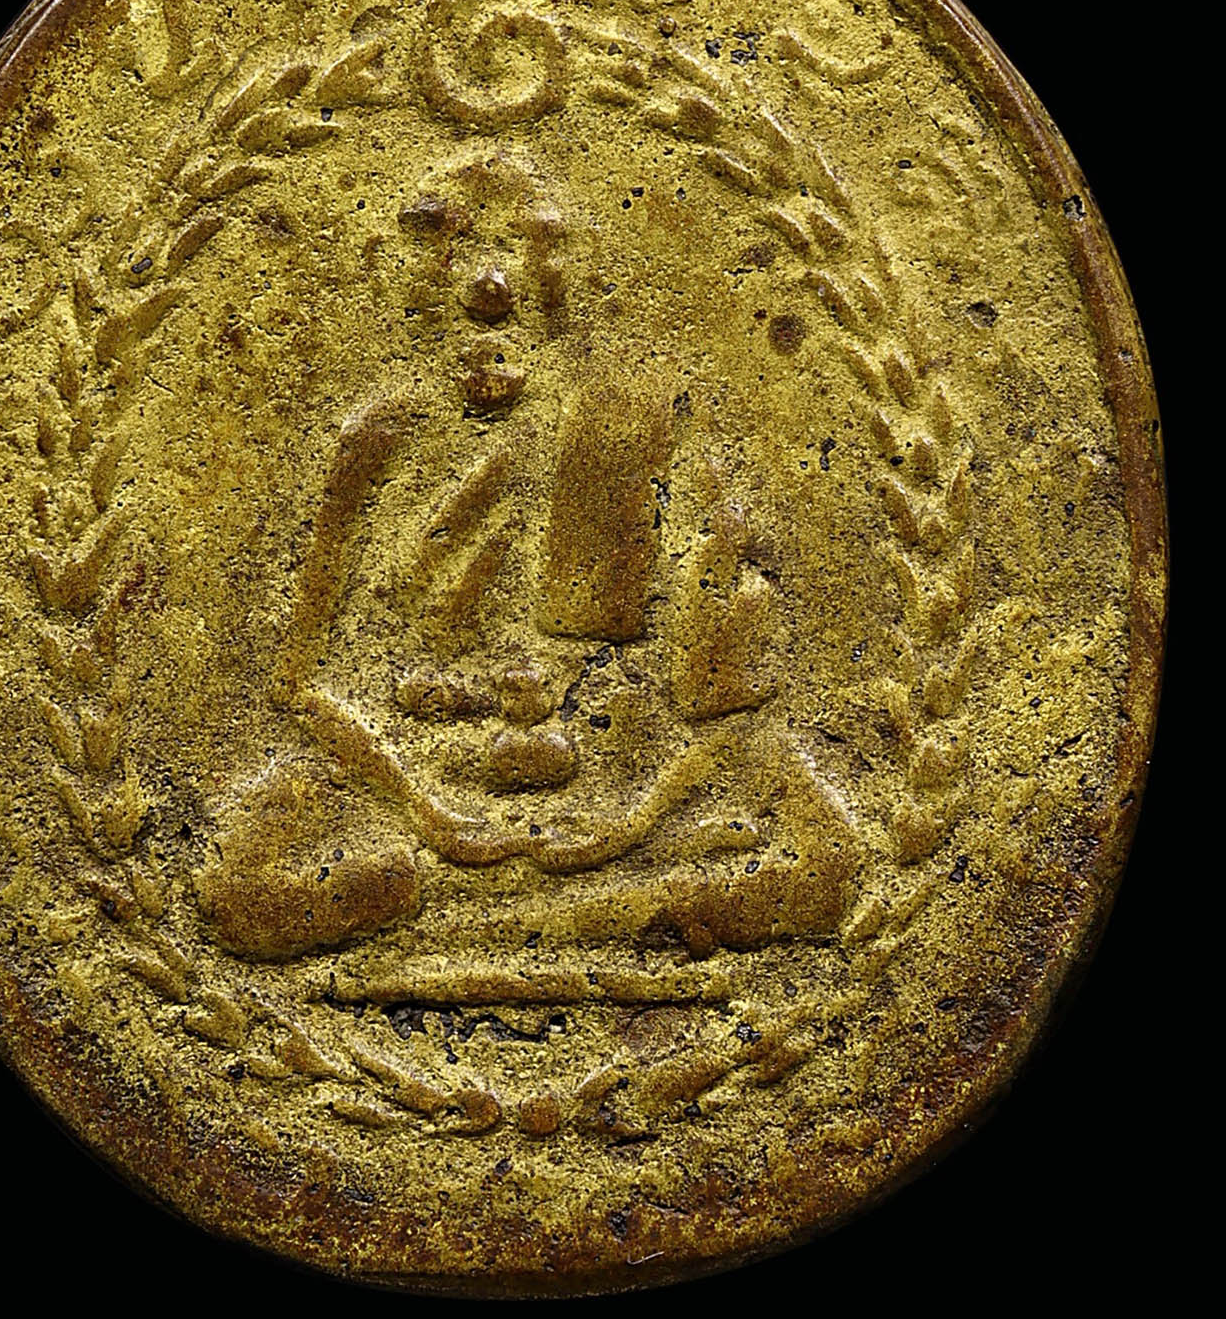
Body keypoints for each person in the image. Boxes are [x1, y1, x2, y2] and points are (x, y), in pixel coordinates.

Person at [200, 145, 861, 997]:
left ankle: (506, 921)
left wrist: (636, 817)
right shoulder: (377, 443)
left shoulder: (637, 425)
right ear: (404, 277)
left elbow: (727, 710)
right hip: (412, 788)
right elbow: (303, 685)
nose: (489, 286)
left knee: (827, 864)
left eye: (521, 248)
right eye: (448, 248)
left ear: (569, 274)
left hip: (625, 786)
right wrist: (423, 806)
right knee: (236, 892)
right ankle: (594, 919)